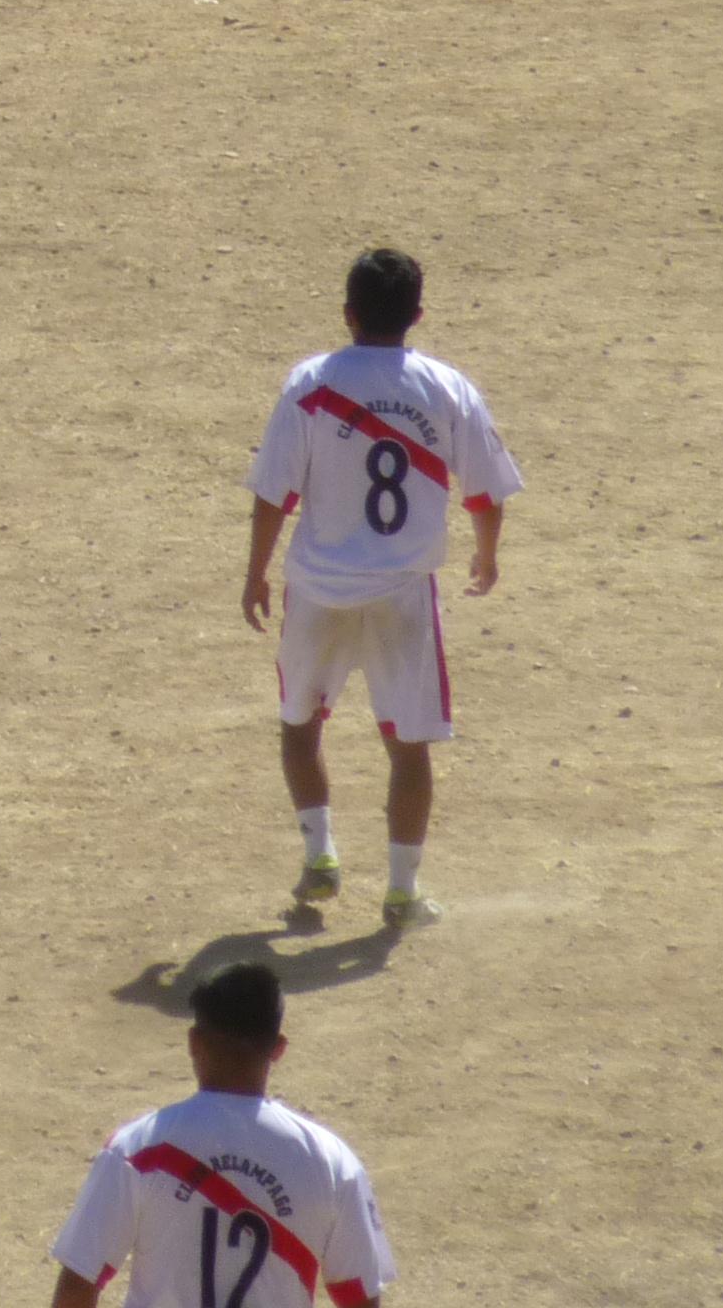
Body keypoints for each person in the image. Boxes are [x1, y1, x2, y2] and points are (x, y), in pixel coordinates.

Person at [241, 247, 520, 930]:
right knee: (408, 746)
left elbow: (275, 491)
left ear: (348, 313)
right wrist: (486, 557)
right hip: (402, 593)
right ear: (417, 315)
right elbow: (485, 492)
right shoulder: (447, 387)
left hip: (318, 589)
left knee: (300, 727)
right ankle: (402, 892)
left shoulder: (311, 383)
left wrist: (255, 571)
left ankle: (320, 855)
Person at [47, 961, 393, 1308]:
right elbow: (359, 1299)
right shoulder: (333, 1163)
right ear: (278, 1049)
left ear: (194, 1042)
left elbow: (77, 1288)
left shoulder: (136, 1149)